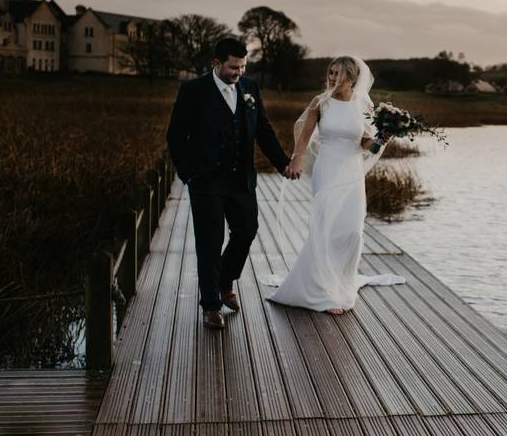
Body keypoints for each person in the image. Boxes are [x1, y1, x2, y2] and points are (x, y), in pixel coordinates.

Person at [166, 37, 295, 329]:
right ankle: (211, 305)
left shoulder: (249, 89)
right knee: (209, 243)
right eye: (233, 67)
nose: (239, 72)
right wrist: (188, 175)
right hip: (206, 183)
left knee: (247, 231)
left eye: (243, 67)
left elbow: (263, 130)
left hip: (241, 181)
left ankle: (225, 280)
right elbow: (176, 136)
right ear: (217, 63)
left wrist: (283, 163)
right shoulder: (193, 90)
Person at [262, 55, 405, 315]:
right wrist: (296, 160)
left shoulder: (362, 105)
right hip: (327, 169)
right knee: (326, 228)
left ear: (352, 78)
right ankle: (322, 292)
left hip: (352, 171)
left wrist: (381, 139)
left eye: (338, 74)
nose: (332, 78)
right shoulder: (321, 102)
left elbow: (365, 143)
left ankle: (341, 284)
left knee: (351, 230)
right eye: (330, 72)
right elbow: (304, 136)